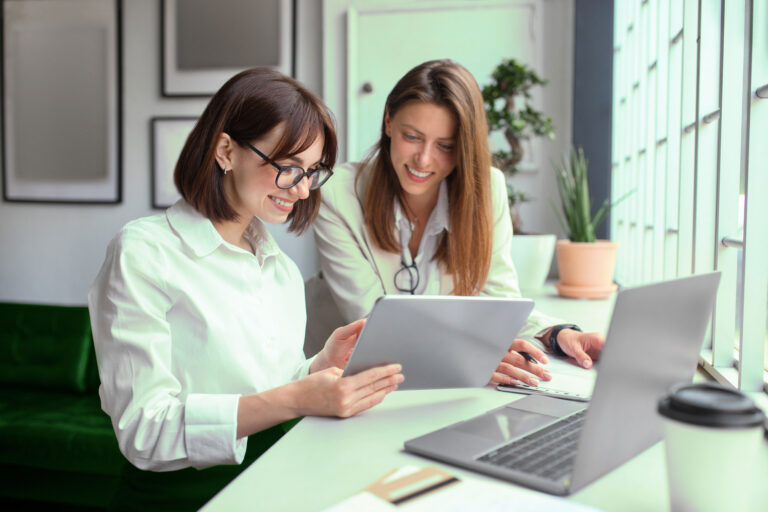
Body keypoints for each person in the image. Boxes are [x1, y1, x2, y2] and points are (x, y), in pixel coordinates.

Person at [88, 68, 403, 510]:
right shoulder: (143, 253)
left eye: (312, 172)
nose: (303, 189)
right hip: (181, 499)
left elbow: (266, 391)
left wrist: (314, 370)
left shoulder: (282, 271)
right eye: (288, 167)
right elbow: (145, 432)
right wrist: (296, 398)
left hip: (278, 485)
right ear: (225, 151)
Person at [311, 59, 605, 387]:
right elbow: (371, 324)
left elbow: (499, 304)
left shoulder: (487, 189)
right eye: (412, 136)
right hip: (345, 383)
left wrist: (557, 334)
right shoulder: (336, 195)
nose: (423, 159)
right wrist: (476, 354)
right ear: (388, 122)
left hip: (442, 382)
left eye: (445, 146)